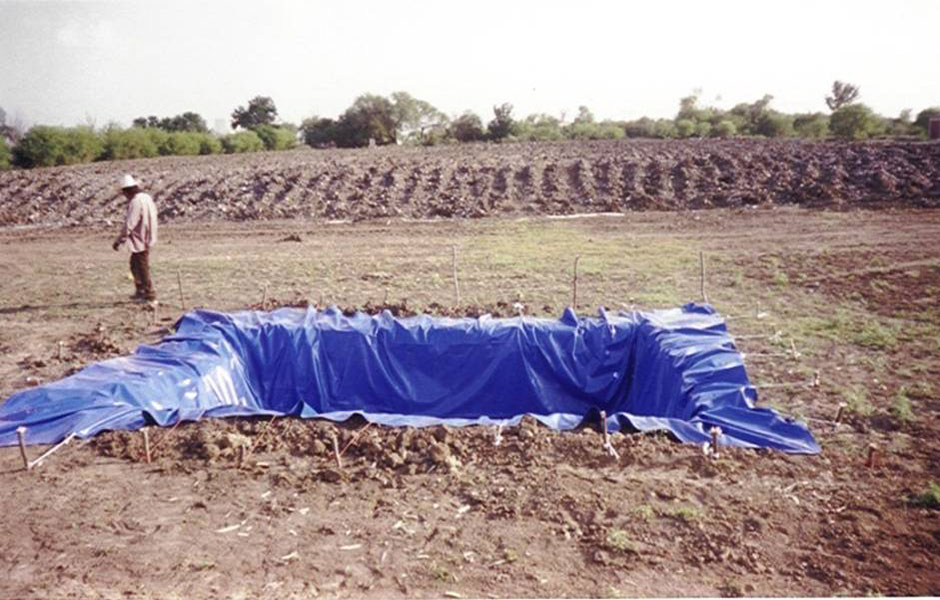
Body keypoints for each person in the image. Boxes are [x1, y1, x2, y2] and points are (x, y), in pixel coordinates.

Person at [112, 174, 158, 302]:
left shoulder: (135, 202)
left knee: (141, 266)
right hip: (148, 236)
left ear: (128, 190)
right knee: (134, 264)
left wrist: (119, 240)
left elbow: (130, 223)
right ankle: (141, 290)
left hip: (140, 238)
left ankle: (149, 294)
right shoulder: (146, 198)